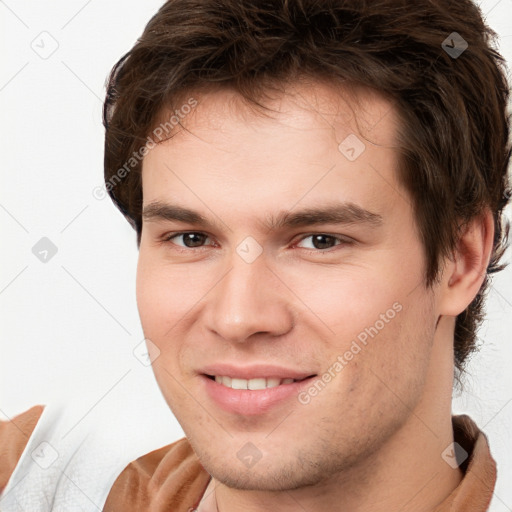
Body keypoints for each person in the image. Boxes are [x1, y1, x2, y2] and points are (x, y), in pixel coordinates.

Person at [1, 0, 510, 510]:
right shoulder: (32, 479)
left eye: (319, 241)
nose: (238, 318)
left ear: (460, 260)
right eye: (191, 239)